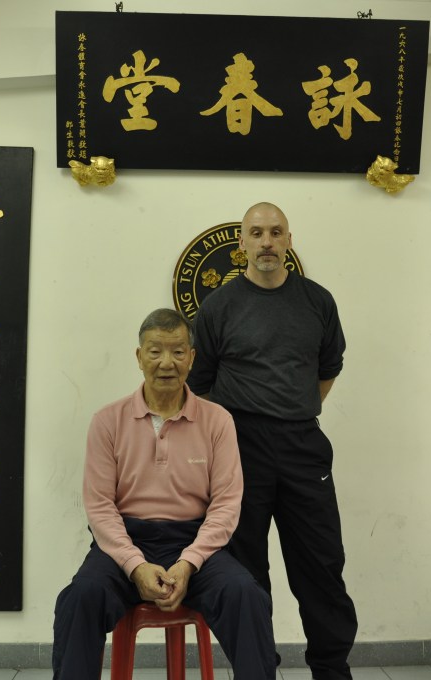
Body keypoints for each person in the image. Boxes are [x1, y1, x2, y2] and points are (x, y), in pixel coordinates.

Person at [52, 308, 276, 680]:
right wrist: (135, 565)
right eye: (155, 352)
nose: (166, 363)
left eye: (177, 352)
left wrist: (188, 563)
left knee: (247, 595)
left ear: (192, 357)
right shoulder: (108, 420)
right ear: (139, 357)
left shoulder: (217, 420)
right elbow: (100, 505)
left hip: (195, 543)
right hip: (124, 542)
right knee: (80, 598)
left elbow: (226, 504)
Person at [187, 202, 358, 680]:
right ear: (241, 242)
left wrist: (293, 408)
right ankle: (257, 670)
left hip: (303, 444)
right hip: (240, 448)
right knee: (245, 570)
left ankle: (331, 670)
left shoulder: (317, 301)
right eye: (257, 233)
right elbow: (200, 383)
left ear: (288, 240)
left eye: (276, 232)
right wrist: (237, 425)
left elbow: (328, 369)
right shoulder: (219, 306)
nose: (267, 242)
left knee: (321, 564)